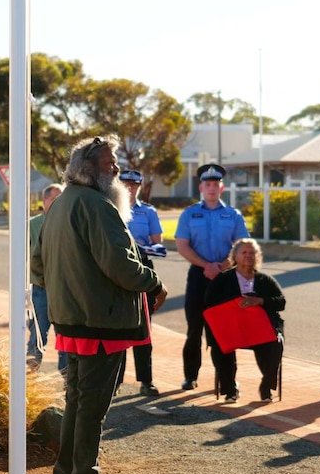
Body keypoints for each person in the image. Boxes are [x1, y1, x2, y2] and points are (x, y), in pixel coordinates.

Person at [30, 136, 168, 474]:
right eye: (111, 165)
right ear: (90, 170)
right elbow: (120, 265)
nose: (118, 171)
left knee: (77, 403)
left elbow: (38, 263)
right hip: (100, 323)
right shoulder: (97, 205)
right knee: (91, 409)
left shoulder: (59, 206)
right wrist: (154, 282)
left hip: (72, 319)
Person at [174, 163, 249, 392]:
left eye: (216, 184)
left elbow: (242, 245)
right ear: (201, 187)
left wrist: (223, 265)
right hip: (199, 275)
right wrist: (207, 266)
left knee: (225, 331)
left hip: (225, 278)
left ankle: (228, 382)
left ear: (222, 188)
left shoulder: (233, 215)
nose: (212, 188)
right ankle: (190, 376)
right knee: (194, 330)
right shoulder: (189, 214)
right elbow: (182, 245)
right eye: (208, 184)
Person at [204, 238, 285, 402]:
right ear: (235, 255)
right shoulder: (223, 279)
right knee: (219, 345)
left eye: (252, 253)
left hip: (260, 328)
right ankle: (229, 389)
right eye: (244, 252)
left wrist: (260, 301)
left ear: (257, 256)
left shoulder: (265, 280)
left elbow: (281, 302)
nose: (248, 256)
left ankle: (266, 387)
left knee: (276, 343)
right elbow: (209, 302)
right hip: (232, 328)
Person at [115, 169, 162, 397]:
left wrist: (142, 248)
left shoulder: (148, 212)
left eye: (134, 185)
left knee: (144, 328)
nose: (130, 189)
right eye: (126, 184)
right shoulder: (110, 208)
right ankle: (115, 381)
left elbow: (158, 245)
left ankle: (146, 380)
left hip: (143, 270)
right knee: (117, 330)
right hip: (117, 273)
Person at [27, 183, 66, 372]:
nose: (59, 203)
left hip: (64, 291)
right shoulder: (32, 225)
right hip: (40, 291)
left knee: (66, 339)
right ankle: (29, 379)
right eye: (54, 199)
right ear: (44, 201)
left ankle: (68, 383)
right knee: (37, 335)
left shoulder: (69, 224)